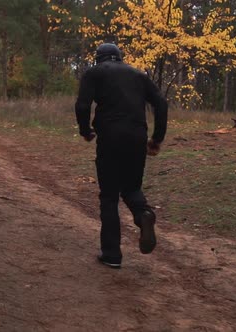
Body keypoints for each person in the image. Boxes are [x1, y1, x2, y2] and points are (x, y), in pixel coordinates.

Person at [75, 43, 168, 269]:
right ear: (119, 57)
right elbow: (161, 103)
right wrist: (157, 138)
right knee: (131, 188)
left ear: (99, 58)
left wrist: (86, 131)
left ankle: (112, 255)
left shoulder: (94, 73)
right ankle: (143, 213)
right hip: (137, 137)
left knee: (109, 196)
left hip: (110, 137)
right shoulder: (138, 75)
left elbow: (82, 105)